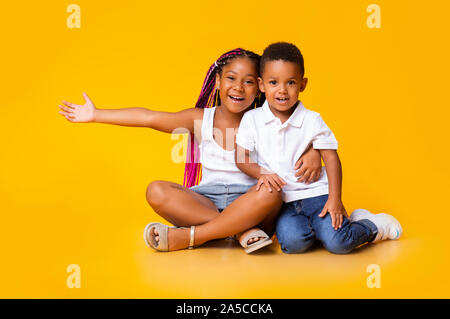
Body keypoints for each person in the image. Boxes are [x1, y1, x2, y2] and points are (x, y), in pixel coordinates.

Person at [58, 48, 323, 253]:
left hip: (251, 201)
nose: (239, 87)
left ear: (262, 87)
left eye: (249, 81)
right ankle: (239, 231)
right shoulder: (200, 119)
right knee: (156, 190)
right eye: (231, 78)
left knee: (272, 190)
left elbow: (303, 132)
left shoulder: (269, 119)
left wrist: (313, 151)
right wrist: (95, 114)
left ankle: (190, 237)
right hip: (205, 200)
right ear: (217, 81)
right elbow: (149, 117)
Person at [235, 42, 402, 254]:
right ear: (261, 84)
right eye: (273, 82)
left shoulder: (312, 120)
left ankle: (373, 225)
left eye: (291, 83)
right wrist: (262, 173)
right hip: (285, 203)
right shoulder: (252, 119)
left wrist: (334, 199)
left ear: (303, 84)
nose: (282, 90)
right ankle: (321, 230)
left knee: (339, 243)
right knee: (293, 244)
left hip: (318, 196)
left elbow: (332, 159)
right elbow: (241, 158)